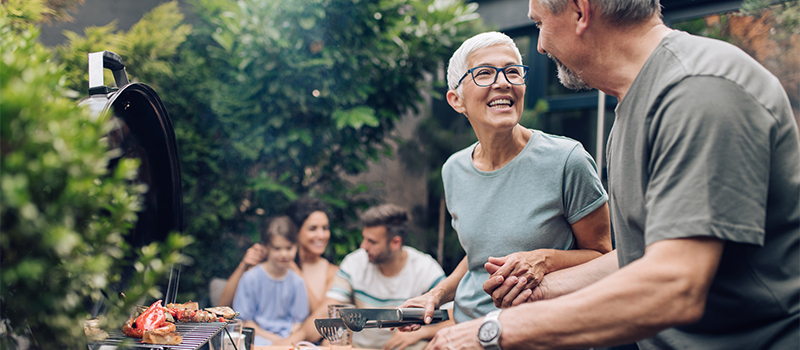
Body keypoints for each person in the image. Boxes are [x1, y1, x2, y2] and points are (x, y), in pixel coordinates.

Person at [424, 1, 800, 349]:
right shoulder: (633, 104)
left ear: (580, 11)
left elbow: (674, 286)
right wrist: (540, 290)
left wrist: (494, 331)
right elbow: (634, 257)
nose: (539, 46)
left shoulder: (697, 90)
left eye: (540, 23)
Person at [398, 30, 611, 328]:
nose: (503, 82)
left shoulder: (567, 159)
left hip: (541, 334)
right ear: (456, 100)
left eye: (512, 72)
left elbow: (605, 258)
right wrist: (435, 295)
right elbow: (478, 259)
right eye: (484, 73)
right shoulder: (454, 169)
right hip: (467, 331)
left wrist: (544, 259)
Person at [282, 204, 451, 350]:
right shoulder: (354, 263)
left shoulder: (426, 269)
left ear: (395, 243)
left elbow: (455, 317)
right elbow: (326, 314)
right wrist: (286, 344)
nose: (363, 246)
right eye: (364, 238)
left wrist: (421, 333)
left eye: (372, 241)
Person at [218, 197, 338, 311]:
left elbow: (321, 319)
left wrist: (295, 270)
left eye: (325, 228)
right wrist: (243, 266)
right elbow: (223, 307)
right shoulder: (271, 261)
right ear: (294, 231)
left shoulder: (332, 272)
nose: (321, 235)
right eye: (312, 229)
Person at [233, 216, 309, 346]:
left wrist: (287, 340)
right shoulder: (251, 278)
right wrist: (275, 340)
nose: (284, 254)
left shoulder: (297, 282)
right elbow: (245, 321)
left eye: (289, 248)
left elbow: (298, 322)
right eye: (277, 248)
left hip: (288, 339)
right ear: (266, 247)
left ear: (296, 247)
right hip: (257, 337)